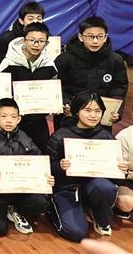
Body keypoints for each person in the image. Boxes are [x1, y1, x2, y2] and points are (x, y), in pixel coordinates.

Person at [45, 91, 127, 241]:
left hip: (94, 186)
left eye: (98, 111)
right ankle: (54, 208)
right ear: (77, 111)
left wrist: (121, 171)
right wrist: (60, 167)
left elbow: (117, 180)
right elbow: (47, 168)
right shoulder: (60, 136)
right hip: (68, 189)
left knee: (104, 187)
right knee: (76, 233)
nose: (93, 115)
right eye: (88, 110)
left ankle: (95, 212)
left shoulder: (107, 138)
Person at [0, 98, 52, 236]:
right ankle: (0, 210)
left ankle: (15, 210)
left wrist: (45, 177)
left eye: (13, 117)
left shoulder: (25, 139)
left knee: (40, 203)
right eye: (4, 116)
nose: (9, 121)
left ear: (19, 119)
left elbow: (39, 160)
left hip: (20, 191)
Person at [55, 16, 128, 129]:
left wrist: (116, 111)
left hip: (100, 119)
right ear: (80, 37)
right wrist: (64, 103)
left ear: (105, 37)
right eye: (90, 36)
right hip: (69, 117)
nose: (95, 41)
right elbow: (57, 85)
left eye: (100, 36)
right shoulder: (64, 59)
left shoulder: (116, 60)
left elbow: (119, 88)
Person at [0, 22, 58, 152]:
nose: (36, 44)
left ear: (46, 43)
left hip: (39, 120)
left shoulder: (49, 65)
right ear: (24, 41)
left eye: (41, 41)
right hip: (14, 121)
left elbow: (54, 91)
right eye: (32, 40)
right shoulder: (8, 63)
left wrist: (56, 104)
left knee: (42, 154)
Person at [114, 125, 133, 220]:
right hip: (127, 178)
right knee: (126, 202)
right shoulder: (125, 136)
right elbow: (118, 169)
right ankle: (116, 206)